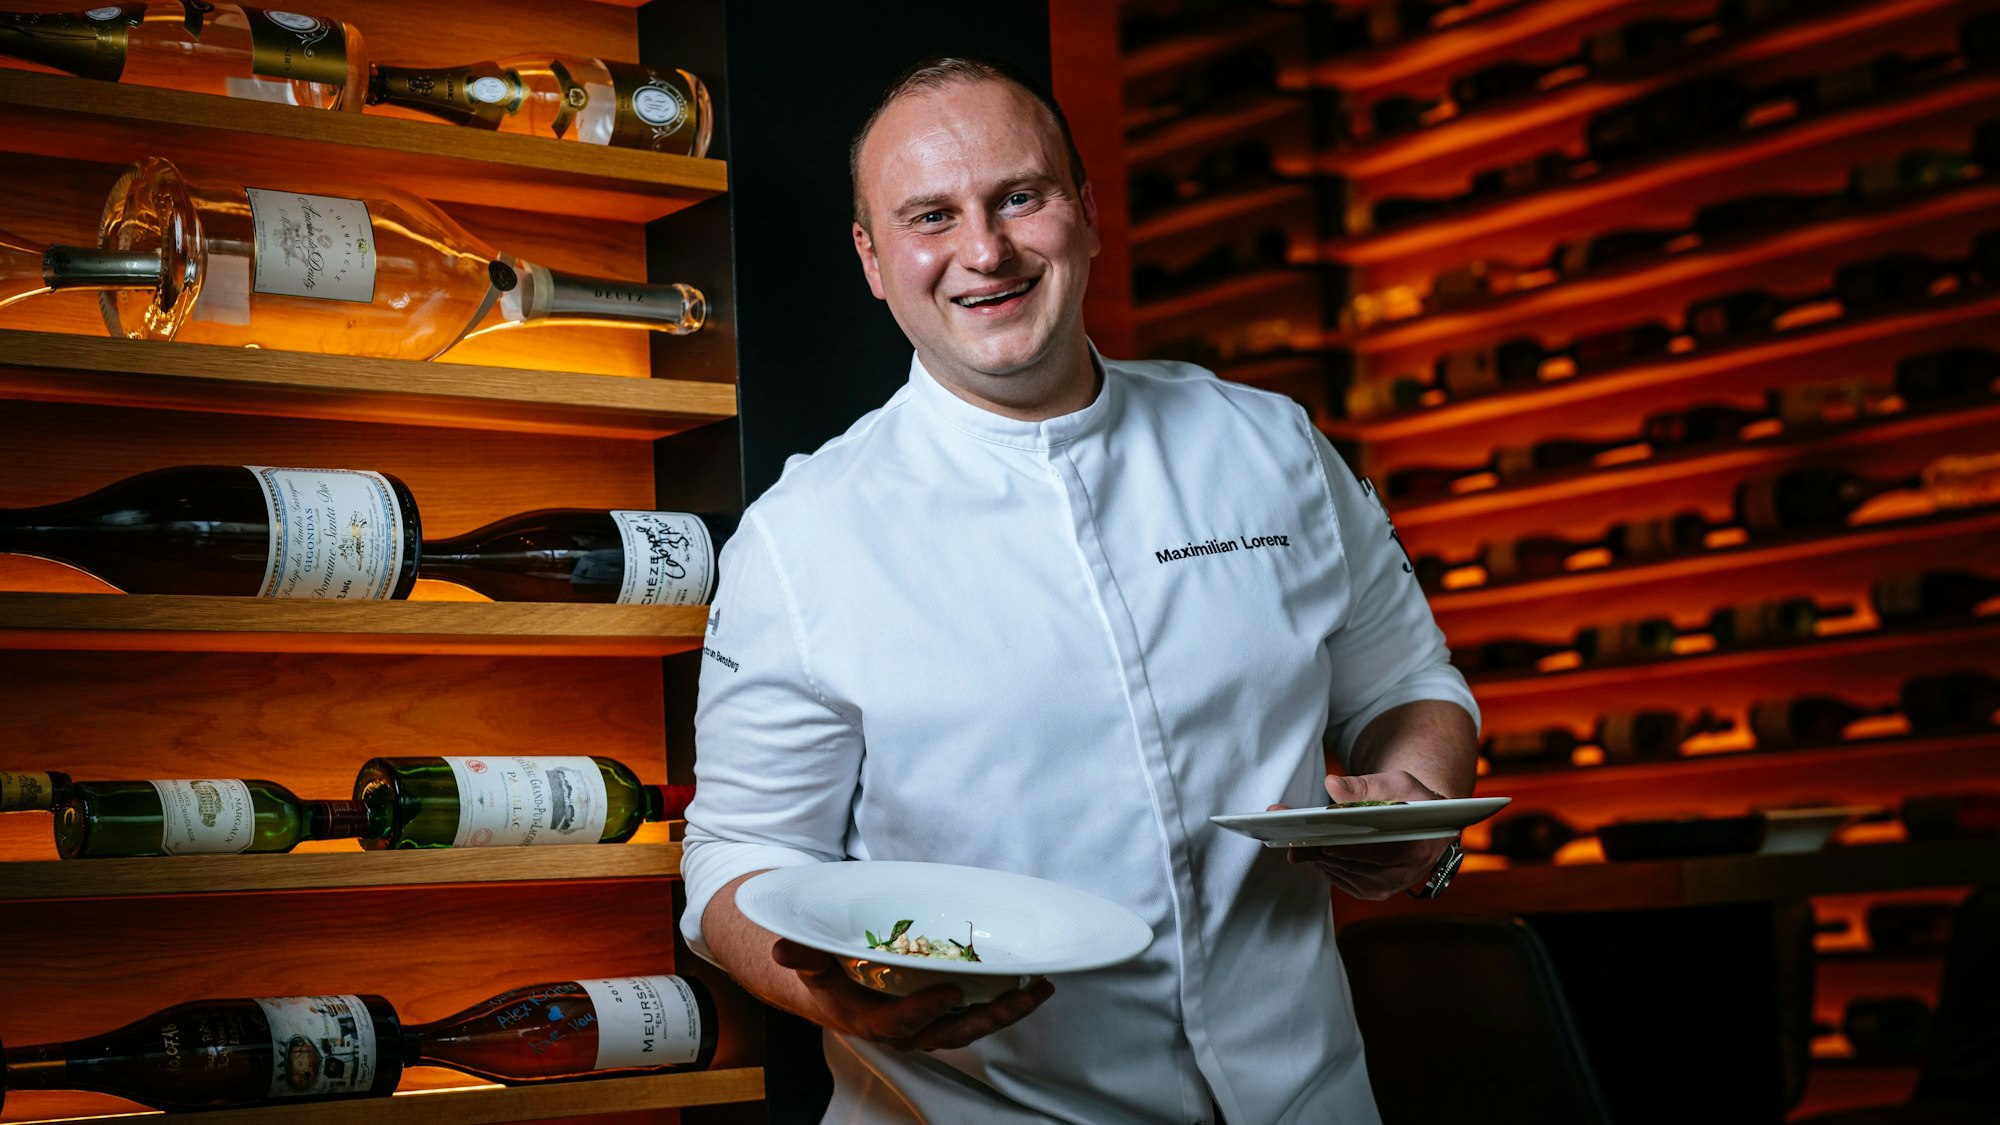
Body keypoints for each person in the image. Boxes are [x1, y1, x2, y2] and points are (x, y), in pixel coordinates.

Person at [680, 53, 1481, 1124]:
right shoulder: (801, 535)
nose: (985, 250)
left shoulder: (1271, 445)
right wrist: (831, 995)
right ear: (871, 259)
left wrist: (1416, 807)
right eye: (931, 216)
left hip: (1313, 1096)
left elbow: (1408, 683)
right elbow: (739, 854)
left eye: (1020, 197)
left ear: (1088, 212)